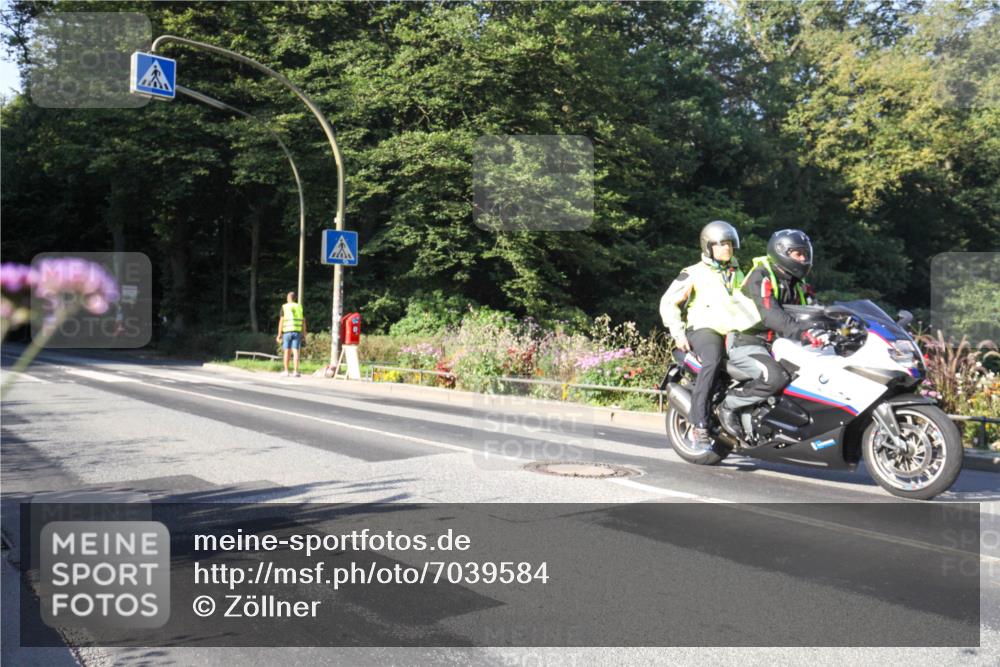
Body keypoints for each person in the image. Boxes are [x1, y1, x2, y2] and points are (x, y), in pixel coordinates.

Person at [660, 221, 762, 450]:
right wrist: (677, 333)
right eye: (722, 244)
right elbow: (667, 303)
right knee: (713, 360)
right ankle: (699, 423)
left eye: (730, 244)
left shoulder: (737, 273)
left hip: (734, 331)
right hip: (705, 329)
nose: (728, 248)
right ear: (708, 247)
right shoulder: (693, 273)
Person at [717, 228, 825, 437]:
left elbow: (817, 310)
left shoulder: (799, 284)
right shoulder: (761, 275)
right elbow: (770, 314)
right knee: (774, 377)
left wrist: (841, 326)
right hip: (747, 342)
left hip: (779, 345)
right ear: (781, 251)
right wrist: (803, 334)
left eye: (805, 254)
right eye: (798, 254)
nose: (803, 259)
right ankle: (728, 405)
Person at [276, 292, 307, 377]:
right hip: (297, 332)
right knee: (296, 351)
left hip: (287, 332)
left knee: (287, 351)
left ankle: (286, 371)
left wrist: (279, 334)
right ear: (295, 298)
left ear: (288, 298)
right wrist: (304, 334)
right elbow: (303, 322)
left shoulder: (284, 307)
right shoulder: (299, 307)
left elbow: (281, 321)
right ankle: (296, 371)